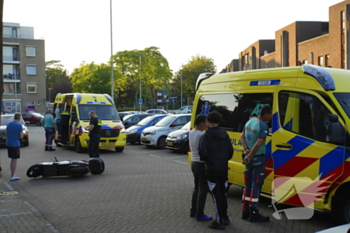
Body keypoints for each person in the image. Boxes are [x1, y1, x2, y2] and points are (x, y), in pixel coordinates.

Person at [198, 112, 233, 230]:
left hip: (212, 169)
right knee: (223, 193)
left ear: (208, 121)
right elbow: (230, 151)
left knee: (215, 194)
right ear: (219, 121)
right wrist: (223, 160)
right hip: (223, 168)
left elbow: (201, 152)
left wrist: (210, 160)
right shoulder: (225, 134)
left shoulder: (206, 136)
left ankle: (219, 221)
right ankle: (225, 217)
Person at [240, 105, 272, 222]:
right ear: (266, 114)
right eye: (270, 114)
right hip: (257, 159)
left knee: (247, 185)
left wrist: (246, 150)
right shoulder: (263, 125)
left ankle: (245, 210)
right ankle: (254, 213)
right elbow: (258, 144)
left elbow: (241, 137)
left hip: (249, 158)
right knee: (256, 186)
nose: (271, 117)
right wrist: (250, 155)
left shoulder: (250, 121)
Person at [189, 114, 212, 222]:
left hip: (194, 163)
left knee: (196, 188)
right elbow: (204, 150)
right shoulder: (202, 135)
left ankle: (193, 211)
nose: (207, 124)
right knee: (203, 190)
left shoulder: (191, 132)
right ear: (202, 123)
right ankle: (200, 214)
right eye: (206, 122)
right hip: (202, 164)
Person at [6, 112, 23, 181]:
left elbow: (7, 132)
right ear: (19, 118)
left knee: (12, 159)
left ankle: (12, 174)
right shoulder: (19, 125)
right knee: (14, 160)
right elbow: (21, 137)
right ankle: (12, 175)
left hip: (8, 143)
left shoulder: (9, 124)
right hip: (15, 144)